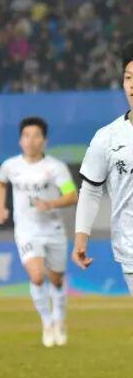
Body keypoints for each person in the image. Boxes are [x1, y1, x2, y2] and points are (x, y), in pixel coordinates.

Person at [0, 117, 79, 346]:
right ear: (20, 140)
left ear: (44, 140)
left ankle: (59, 319)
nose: (31, 141)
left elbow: (71, 195)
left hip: (53, 229)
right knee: (37, 276)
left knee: (56, 280)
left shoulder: (55, 168)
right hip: (26, 231)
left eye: (36, 136)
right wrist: (0, 208)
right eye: (26, 136)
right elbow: (0, 183)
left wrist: (50, 204)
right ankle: (47, 322)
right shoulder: (11, 166)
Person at [73, 42, 133, 294]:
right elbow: (90, 190)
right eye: (128, 78)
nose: (132, 85)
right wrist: (81, 237)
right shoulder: (106, 137)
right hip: (130, 248)